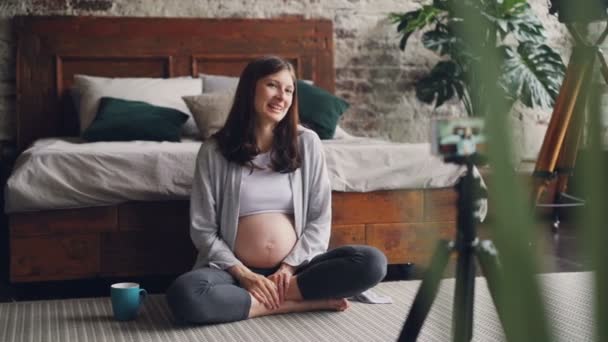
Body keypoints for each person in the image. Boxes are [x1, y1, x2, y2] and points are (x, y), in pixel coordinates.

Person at [166, 56, 387, 324]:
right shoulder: (214, 150)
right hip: (234, 273)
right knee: (185, 294)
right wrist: (245, 275)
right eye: (272, 85)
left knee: (372, 262)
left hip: (298, 271)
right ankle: (293, 304)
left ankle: (270, 298)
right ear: (250, 89)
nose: (282, 96)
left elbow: (319, 217)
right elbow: (202, 228)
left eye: (289, 89)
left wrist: (288, 267)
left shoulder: (307, 143)